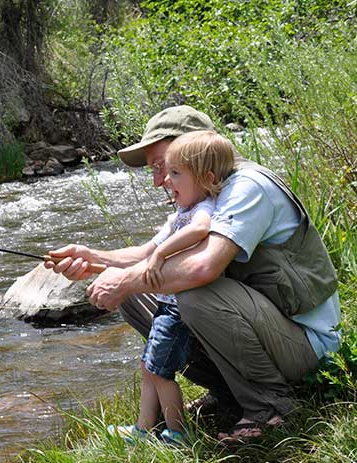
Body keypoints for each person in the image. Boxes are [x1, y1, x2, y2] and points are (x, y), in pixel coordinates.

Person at [45, 105, 341, 444]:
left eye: (163, 167)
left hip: (308, 345)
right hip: (269, 330)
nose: (159, 181)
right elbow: (145, 256)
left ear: (195, 149)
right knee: (134, 289)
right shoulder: (204, 194)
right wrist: (93, 258)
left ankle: (270, 406)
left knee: (193, 293)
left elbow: (204, 267)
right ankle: (227, 391)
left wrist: (125, 279)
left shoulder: (248, 187)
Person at [108, 130, 235, 445]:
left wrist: (161, 254)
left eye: (175, 173)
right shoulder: (181, 211)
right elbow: (144, 252)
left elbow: (201, 230)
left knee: (162, 371)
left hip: (177, 309)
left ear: (204, 179)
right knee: (148, 365)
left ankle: (176, 433)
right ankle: (143, 427)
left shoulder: (203, 208)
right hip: (166, 304)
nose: (165, 181)